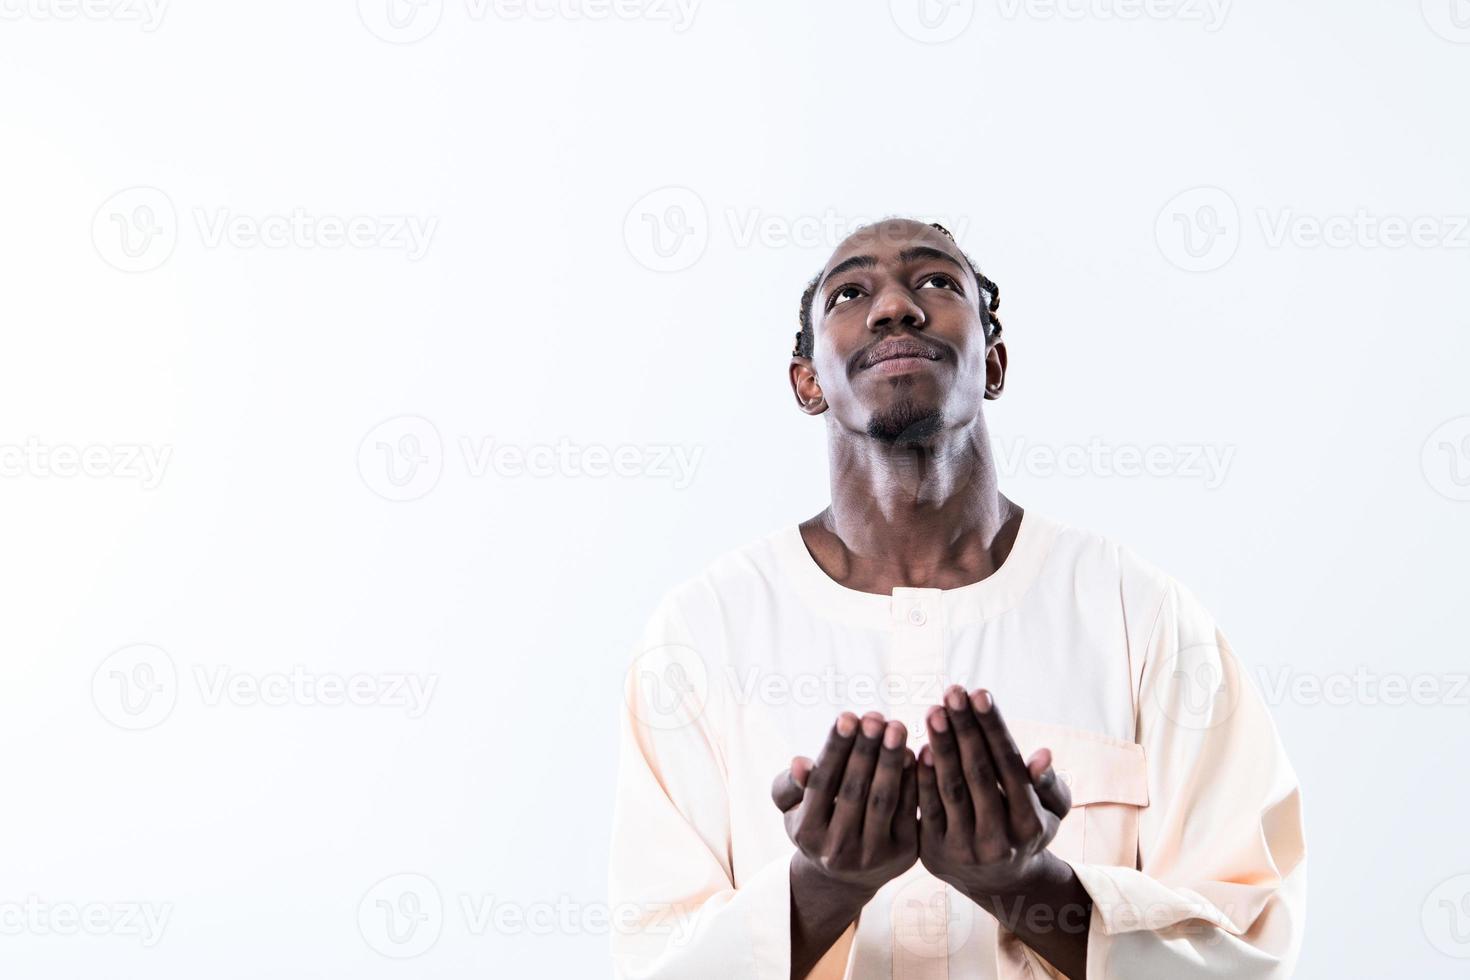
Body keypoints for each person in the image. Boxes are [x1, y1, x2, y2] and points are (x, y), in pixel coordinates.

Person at [609, 218, 1306, 979]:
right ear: (808, 382)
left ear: (993, 364)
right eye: (850, 293)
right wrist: (822, 889)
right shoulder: (703, 634)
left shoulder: (1141, 616)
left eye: (937, 283)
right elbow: (653, 960)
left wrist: (1027, 887)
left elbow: (1254, 948)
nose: (894, 308)